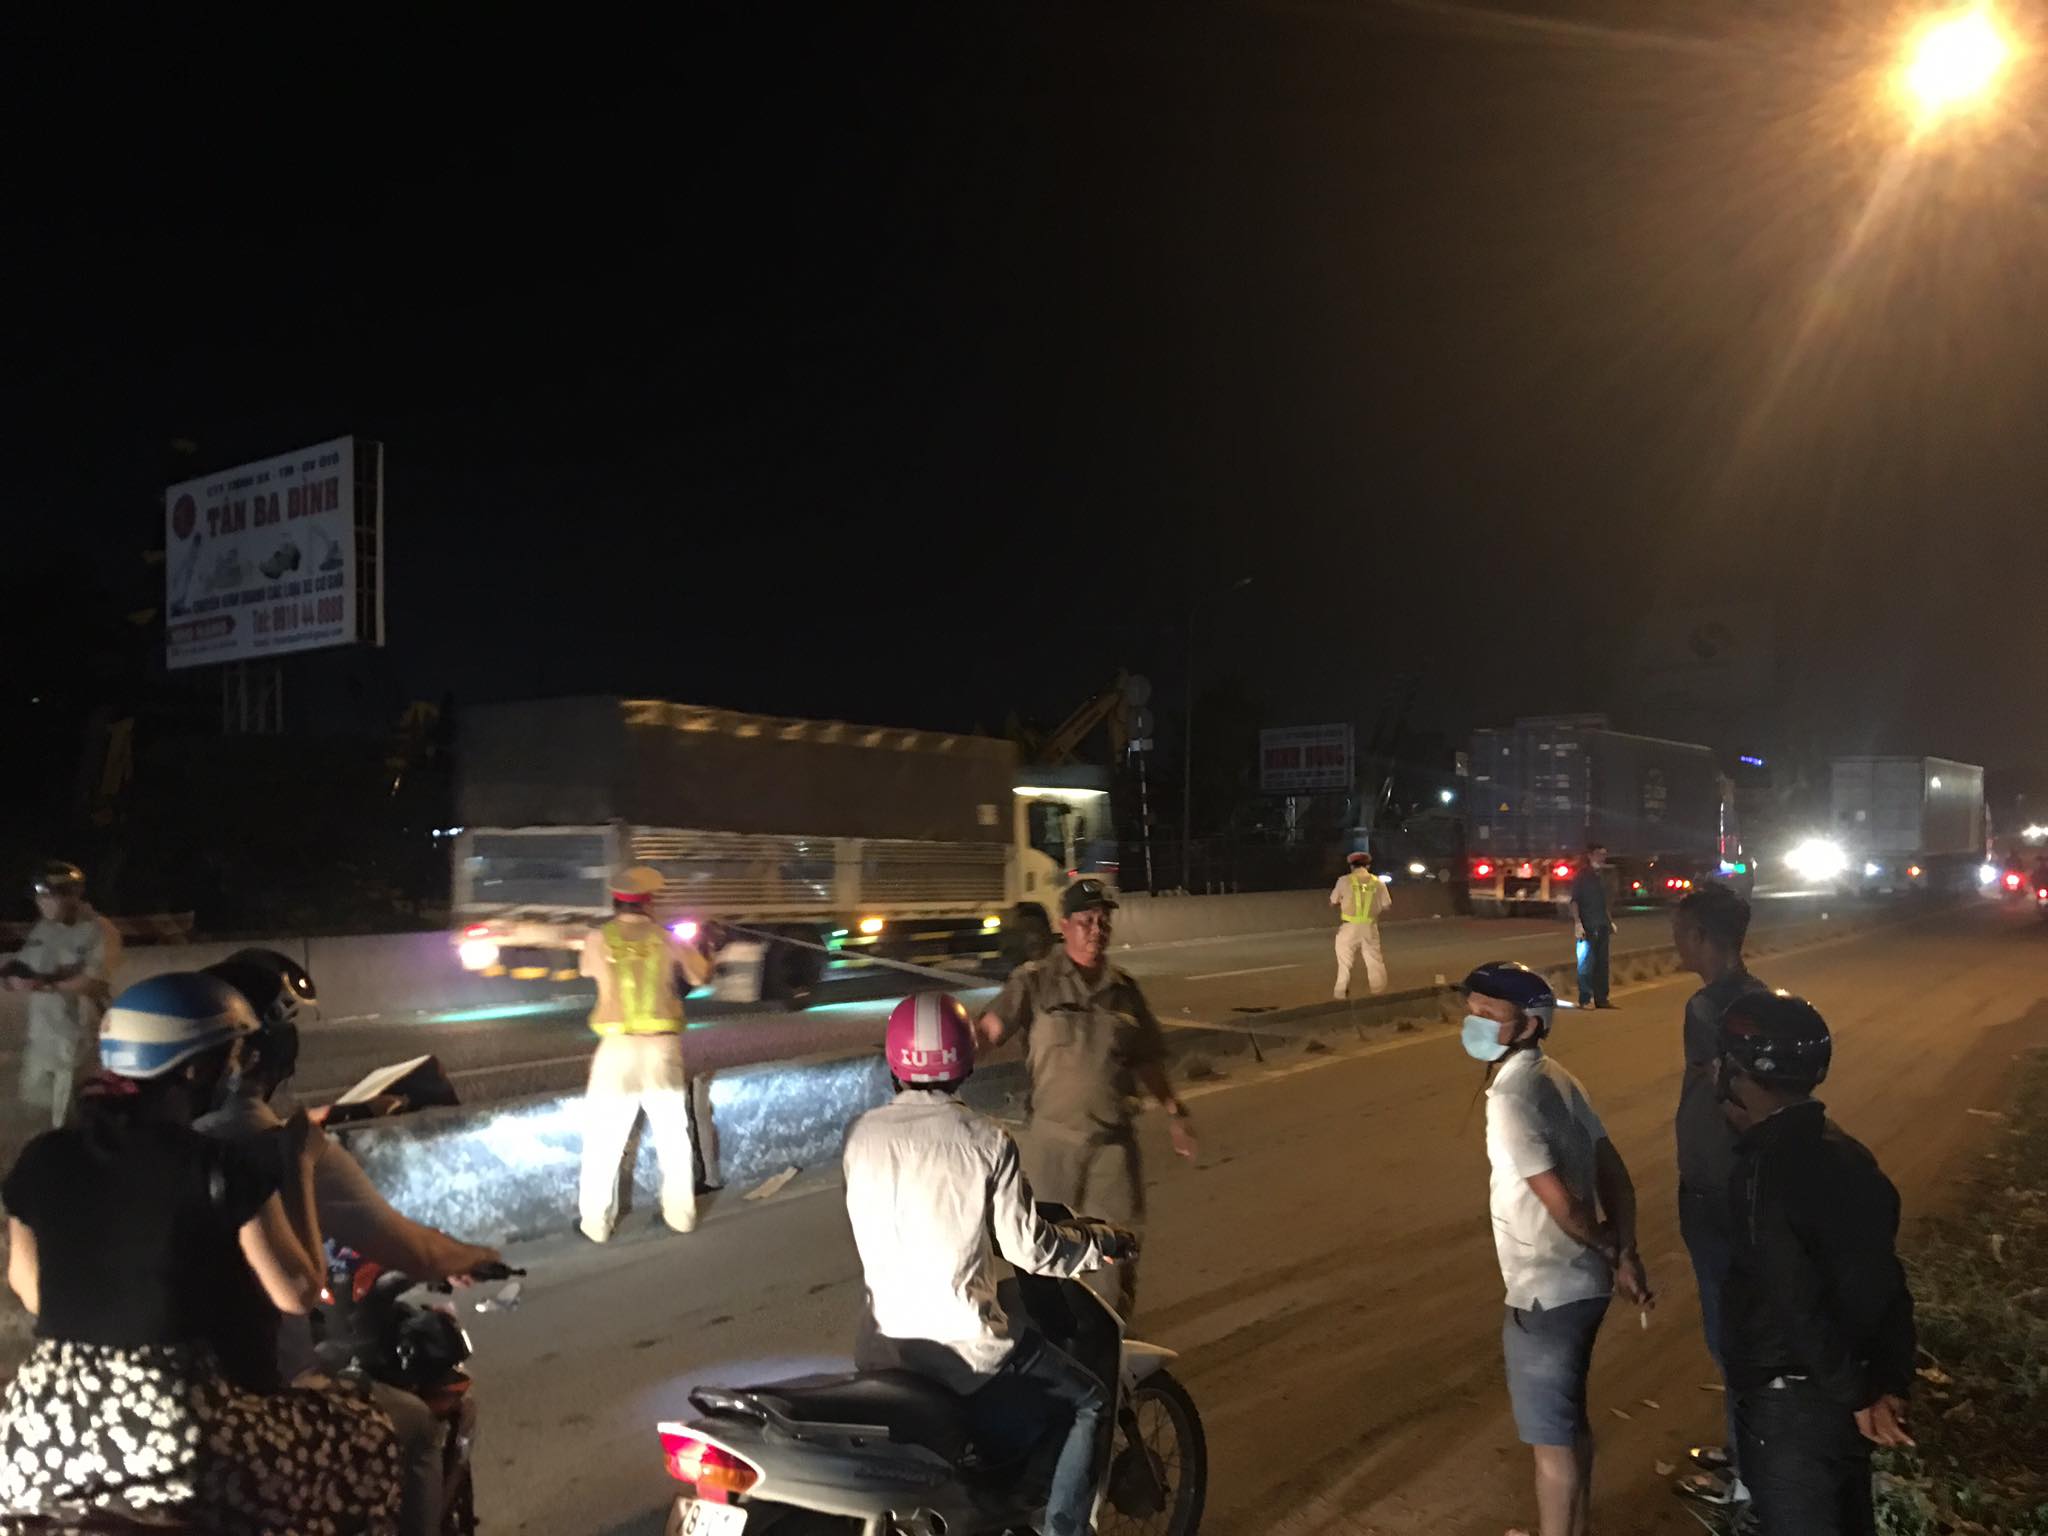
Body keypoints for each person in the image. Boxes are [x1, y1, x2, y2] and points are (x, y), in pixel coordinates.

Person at [0, 971, 399, 1533]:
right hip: (170, 1427)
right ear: (195, 1069)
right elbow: (298, 1292)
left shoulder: (42, 1158)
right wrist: (299, 1165)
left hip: (36, 1427)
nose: (236, 1073)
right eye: (231, 1057)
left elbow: (30, 1287)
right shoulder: (217, 1166)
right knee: (369, 1433)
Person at [196, 947, 501, 1536]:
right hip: (255, 1396)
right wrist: (473, 1257)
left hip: (104, 1415)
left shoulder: (102, 1151)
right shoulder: (271, 1151)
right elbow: (322, 1278)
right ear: (263, 1053)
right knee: (412, 1424)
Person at [844, 992, 1131, 1536]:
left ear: (894, 1062)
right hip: (964, 1352)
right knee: (1089, 1399)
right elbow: (1030, 1249)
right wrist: (1097, 1244)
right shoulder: (985, 1142)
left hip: (882, 1348)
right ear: (966, 1062)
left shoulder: (860, 1136)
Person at [1461, 960, 1652, 1536]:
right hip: (1584, 1283)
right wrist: (1622, 1252)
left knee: (1549, 1441)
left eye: (1488, 1015)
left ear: (1528, 1025)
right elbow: (1614, 1171)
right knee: (1569, 1423)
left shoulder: (1511, 1099)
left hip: (1546, 1291)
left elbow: (1564, 1205)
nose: (1473, 1024)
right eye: (1470, 1012)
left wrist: (1601, 1241)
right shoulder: (1559, 1077)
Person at [1717, 991, 1915, 1536]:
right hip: (1849, 1396)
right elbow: (1886, 1276)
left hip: (1793, 1408)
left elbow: (1793, 1297)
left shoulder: (1762, 1171)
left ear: (1738, 1072)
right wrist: (1885, 1383)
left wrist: (1856, 1392)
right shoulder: (1849, 1154)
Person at [976, 878, 1195, 1318]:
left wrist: (1175, 1111)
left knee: (1117, 1254)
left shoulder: (1124, 990)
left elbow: (1147, 1060)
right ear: (1064, 926)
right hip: (1053, 1145)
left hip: (1112, 1148)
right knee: (1042, 1257)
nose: (1097, 929)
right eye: (1086, 921)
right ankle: (1055, 1353)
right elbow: (988, 1034)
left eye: (1103, 920)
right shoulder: (1034, 983)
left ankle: (1114, 1351)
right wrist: (934, 1060)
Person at [1668, 886, 1772, 1508]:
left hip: (1719, 1190)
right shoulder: (1758, 996)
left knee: (1732, 1335)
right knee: (1740, 1330)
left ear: (1703, 937)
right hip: (1741, 1186)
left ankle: (1746, 1483)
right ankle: (1742, 1450)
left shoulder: (1708, 1008)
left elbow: (1725, 1097)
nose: (1675, 942)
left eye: (1681, 931)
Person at [578, 865, 713, 1243]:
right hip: (661, 1048)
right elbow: (701, 976)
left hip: (616, 1050)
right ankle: (681, 1215)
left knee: (604, 1138)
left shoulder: (596, 939)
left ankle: (596, 1224)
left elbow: (588, 969)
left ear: (615, 901)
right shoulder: (668, 938)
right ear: (650, 902)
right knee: (673, 1136)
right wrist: (707, 946)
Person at [1, 859, 122, 1126]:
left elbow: (95, 983)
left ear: (72, 896)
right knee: (36, 1109)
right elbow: (26, 966)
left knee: (66, 1120)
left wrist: (44, 985)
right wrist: (10, 976)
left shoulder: (98, 929)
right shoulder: (45, 927)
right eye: (39, 897)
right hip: (42, 1038)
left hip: (76, 1039)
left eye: (49, 897)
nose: (42, 903)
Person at [1330, 850, 1393, 1000]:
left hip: (1349, 927)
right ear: (1368, 865)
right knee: (1374, 960)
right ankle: (1378, 994)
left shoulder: (1344, 880)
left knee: (1344, 963)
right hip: (1370, 926)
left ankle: (1340, 994)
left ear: (1351, 866)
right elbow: (1387, 905)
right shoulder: (1378, 882)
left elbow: (1332, 901)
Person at [1568, 845, 1616, 1009]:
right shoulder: (1582, 876)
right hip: (1588, 926)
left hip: (1602, 924)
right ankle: (1585, 998)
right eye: (1599, 854)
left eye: (1604, 854)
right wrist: (1577, 923)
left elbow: (1605, 902)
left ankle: (1602, 999)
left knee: (1602, 964)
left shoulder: (1603, 875)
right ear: (1590, 855)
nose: (1602, 858)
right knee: (1586, 964)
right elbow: (1574, 900)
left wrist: (1610, 921)